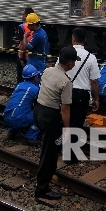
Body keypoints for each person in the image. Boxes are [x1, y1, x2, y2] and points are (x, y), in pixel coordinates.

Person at [33, 46, 77, 200]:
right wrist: (68, 129)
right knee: (50, 154)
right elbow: (65, 109)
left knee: (49, 146)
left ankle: (44, 181)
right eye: (74, 62)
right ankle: (42, 189)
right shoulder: (66, 82)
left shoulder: (47, 71)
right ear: (70, 63)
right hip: (50, 116)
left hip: (38, 110)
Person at [60, 28, 100, 136]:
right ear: (85, 39)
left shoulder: (64, 53)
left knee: (63, 119)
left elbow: (57, 72)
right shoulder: (91, 58)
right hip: (81, 95)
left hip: (64, 90)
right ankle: (72, 147)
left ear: (73, 38)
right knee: (77, 124)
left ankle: (60, 143)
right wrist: (96, 99)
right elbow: (94, 81)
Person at [4, 63, 42, 145]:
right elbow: (39, 104)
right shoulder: (34, 89)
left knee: (19, 109)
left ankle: (12, 132)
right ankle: (30, 137)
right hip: (17, 120)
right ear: (35, 77)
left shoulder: (19, 85)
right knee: (40, 115)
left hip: (6, 117)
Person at [14, 7, 34, 83]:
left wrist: (21, 58)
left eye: (23, 14)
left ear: (26, 16)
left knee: (21, 78)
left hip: (24, 56)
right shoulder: (36, 26)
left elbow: (21, 44)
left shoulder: (22, 26)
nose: (21, 16)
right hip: (32, 56)